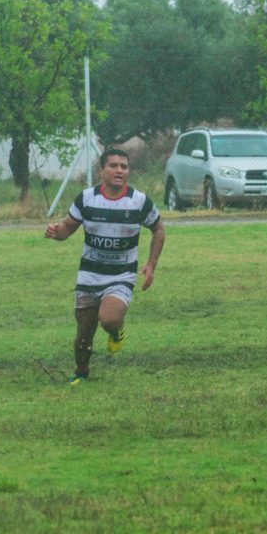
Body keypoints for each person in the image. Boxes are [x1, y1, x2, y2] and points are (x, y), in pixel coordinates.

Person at [44, 148, 165, 385]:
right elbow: (67, 228)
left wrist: (151, 264)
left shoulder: (139, 201)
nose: (119, 170)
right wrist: (55, 232)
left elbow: (159, 230)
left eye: (124, 167)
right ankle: (81, 374)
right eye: (113, 166)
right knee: (84, 331)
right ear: (101, 171)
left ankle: (116, 330)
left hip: (121, 275)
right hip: (89, 275)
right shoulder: (86, 199)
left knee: (108, 319)